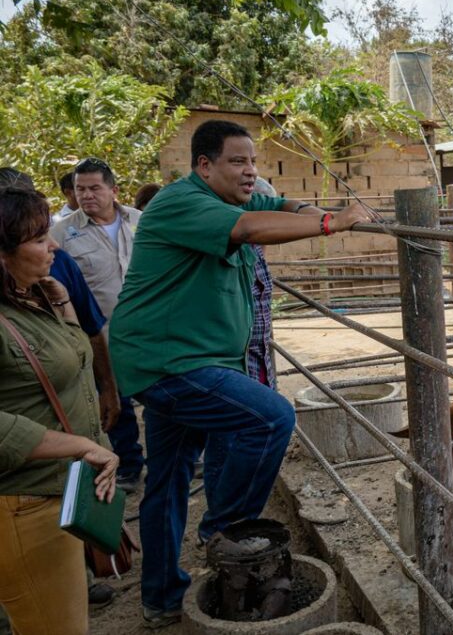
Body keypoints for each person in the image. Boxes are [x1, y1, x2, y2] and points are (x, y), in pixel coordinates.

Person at [108, 120, 372, 627]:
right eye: (237, 161)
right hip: (170, 364)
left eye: (253, 161)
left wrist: (303, 207)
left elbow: (273, 208)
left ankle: (161, 598)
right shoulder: (181, 202)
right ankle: (228, 533)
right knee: (270, 417)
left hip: (184, 360)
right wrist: (331, 224)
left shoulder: (231, 200)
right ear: (204, 165)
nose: (250, 170)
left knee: (167, 479)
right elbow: (251, 230)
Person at [0, 186, 119, 635]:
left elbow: (68, 361)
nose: (53, 246)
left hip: (56, 495)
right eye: (37, 239)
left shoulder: (33, 297)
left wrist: (63, 305)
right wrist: (79, 444)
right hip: (25, 506)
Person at [51, 157, 145, 493]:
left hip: (149, 329)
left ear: (113, 190)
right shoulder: (61, 234)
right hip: (101, 334)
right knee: (113, 399)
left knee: (163, 395)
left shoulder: (142, 222)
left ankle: (179, 458)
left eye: (94, 188)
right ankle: (129, 466)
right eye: (80, 189)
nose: (87, 195)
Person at [197, 176, 278, 543]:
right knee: (225, 443)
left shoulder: (254, 253)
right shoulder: (226, 252)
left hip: (257, 359)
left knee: (239, 437)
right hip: (233, 362)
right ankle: (221, 527)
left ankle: (231, 523)